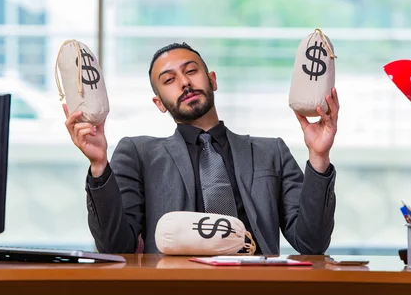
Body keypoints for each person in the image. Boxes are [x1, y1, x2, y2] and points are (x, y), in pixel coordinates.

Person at [63, 42, 338, 255]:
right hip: (176, 286)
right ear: (159, 103)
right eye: (169, 80)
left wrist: (319, 156)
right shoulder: (138, 154)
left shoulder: (271, 152)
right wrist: (99, 165)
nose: (184, 82)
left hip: (256, 283)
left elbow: (311, 244)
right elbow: (116, 247)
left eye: (191, 71)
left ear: (213, 80)